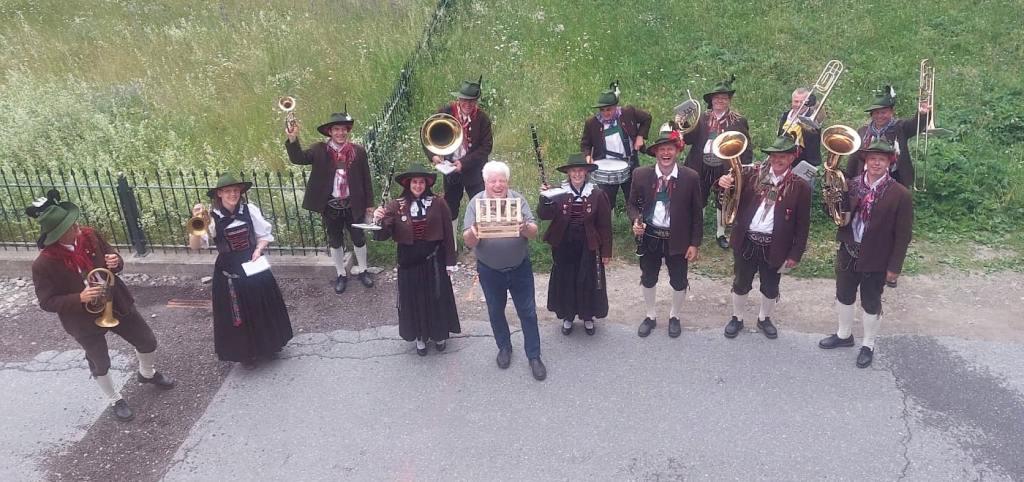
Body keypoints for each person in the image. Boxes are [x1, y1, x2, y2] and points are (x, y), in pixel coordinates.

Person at [28, 190, 175, 422]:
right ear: (57, 235)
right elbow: (46, 302)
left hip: (116, 303)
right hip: (82, 319)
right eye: (69, 227)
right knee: (101, 363)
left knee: (147, 341)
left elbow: (112, 259)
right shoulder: (43, 264)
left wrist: (116, 261)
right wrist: (80, 298)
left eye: (73, 222)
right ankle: (114, 398)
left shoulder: (90, 235)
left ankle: (147, 374)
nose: (76, 227)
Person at [818, 139, 913, 368]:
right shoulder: (850, 184)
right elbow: (834, 213)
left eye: (881, 159)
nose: (876, 163)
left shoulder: (900, 194)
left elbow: (903, 236)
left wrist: (894, 268)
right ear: (865, 161)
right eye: (872, 159)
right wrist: (830, 197)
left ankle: (868, 344)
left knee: (871, 300)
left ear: (889, 162)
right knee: (844, 293)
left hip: (877, 255)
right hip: (849, 249)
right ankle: (844, 335)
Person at [190, 174, 294, 366]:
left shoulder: (250, 210)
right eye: (228, 191)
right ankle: (246, 353)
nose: (233, 194)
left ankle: (269, 346)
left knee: (261, 305)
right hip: (229, 271)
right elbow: (195, 246)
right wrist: (196, 221)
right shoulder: (211, 218)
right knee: (236, 312)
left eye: (236, 191)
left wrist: (258, 249)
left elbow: (264, 236)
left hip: (253, 264)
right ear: (219, 194)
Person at [716, 135, 812, 339]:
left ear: (791, 158)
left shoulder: (801, 186)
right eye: (774, 156)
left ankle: (764, 318)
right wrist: (723, 183)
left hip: (775, 245)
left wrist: (796, 253)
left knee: (770, 286)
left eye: (783, 157)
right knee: (741, 282)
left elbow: (803, 224)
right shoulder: (750, 175)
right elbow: (725, 196)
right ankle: (737, 318)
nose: (777, 160)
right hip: (747, 240)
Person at [463, 161, 546, 381]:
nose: (498, 185)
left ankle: (534, 355)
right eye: (493, 181)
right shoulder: (475, 203)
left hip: (519, 267)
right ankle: (504, 347)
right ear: (485, 182)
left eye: (502, 180)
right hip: (490, 270)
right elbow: (468, 241)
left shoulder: (517, 200)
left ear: (507, 182)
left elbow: (534, 232)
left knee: (527, 312)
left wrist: (524, 228)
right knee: (495, 311)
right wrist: (474, 232)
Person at [372, 165, 461, 356]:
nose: (418, 185)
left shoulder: (438, 203)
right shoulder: (396, 205)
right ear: (408, 184)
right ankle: (420, 336)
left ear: (426, 184)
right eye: (414, 182)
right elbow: (384, 234)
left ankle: (439, 334)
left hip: (434, 258)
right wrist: (378, 220)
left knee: (436, 296)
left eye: (421, 182)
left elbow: (448, 233)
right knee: (414, 298)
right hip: (408, 259)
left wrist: (450, 261)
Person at [286, 108, 375, 294]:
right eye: (336, 129)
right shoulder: (319, 150)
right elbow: (298, 158)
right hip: (331, 205)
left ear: (347, 131)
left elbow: (366, 179)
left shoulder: (358, 152)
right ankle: (341, 274)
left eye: (343, 129)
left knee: (359, 238)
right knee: (335, 241)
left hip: (353, 204)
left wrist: (369, 205)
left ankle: (363, 270)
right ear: (330, 132)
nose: (340, 133)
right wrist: (293, 139)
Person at [628, 131, 704, 338]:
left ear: (678, 151)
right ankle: (650, 316)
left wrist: (694, 243)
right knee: (648, 277)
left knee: (679, 280)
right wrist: (636, 220)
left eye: (670, 148)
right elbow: (632, 205)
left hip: (678, 238)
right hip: (650, 236)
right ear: (655, 153)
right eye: (661, 149)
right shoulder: (641, 175)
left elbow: (697, 213)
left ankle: (674, 316)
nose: (666, 153)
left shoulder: (690, 177)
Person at [538, 154, 613, 336]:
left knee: (587, 280)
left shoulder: (597, 194)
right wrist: (544, 197)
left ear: (586, 172)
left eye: (581, 170)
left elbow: (604, 225)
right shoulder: (558, 192)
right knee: (566, 279)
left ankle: (588, 316)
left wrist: (606, 252)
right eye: (574, 171)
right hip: (564, 244)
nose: (577, 174)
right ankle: (568, 316)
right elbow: (544, 215)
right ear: (568, 173)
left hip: (589, 244)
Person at [683, 75, 753, 250]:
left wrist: (742, 168)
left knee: (723, 198)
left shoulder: (738, 120)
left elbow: (745, 146)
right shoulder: (702, 118)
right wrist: (684, 124)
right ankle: (695, 232)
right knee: (699, 197)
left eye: (724, 98)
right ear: (711, 101)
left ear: (729, 101)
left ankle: (720, 233)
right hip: (700, 164)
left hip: (724, 166)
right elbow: (689, 139)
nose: (720, 101)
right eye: (717, 98)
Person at [426, 76, 493, 245]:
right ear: (459, 98)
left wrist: (464, 163)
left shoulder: (482, 119)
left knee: (479, 206)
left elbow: (486, 148)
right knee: (450, 207)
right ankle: (452, 245)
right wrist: (433, 155)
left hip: (474, 170)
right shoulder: (446, 111)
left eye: (471, 101)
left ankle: (481, 243)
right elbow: (427, 133)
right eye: (464, 100)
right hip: (449, 169)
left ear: (476, 102)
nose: (467, 104)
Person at [844, 85, 932, 188]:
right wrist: (848, 177)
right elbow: (855, 157)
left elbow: (915, 126)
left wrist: (922, 114)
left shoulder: (900, 127)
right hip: (866, 179)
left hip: (895, 178)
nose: (880, 116)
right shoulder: (863, 131)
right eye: (876, 113)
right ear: (871, 115)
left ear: (891, 112)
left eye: (883, 112)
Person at [580, 84, 652, 208]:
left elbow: (647, 118)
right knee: (606, 204)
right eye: (602, 110)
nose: (605, 113)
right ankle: (606, 226)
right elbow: (585, 143)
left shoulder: (628, 112)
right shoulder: (592, 123)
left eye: (608, 109)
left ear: (615, 106)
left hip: (630, 164)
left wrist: (640, 136)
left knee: (635, 201)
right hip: (606, 168)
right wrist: (587, 156)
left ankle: (637, 225)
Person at [777, 87, 823, 169]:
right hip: (785, 161)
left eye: (802, 102)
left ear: (808, 102)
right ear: (792, 101)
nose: (798, 105)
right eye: (796, 101)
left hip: (805, 163)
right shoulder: (786, 115)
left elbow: (821, 116)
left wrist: (815, 103)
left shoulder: (812, 117)